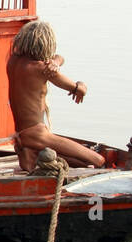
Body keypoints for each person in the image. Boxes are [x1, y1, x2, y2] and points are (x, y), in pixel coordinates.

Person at [6, 20, 105, 171]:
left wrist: (56, 61)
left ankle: (29, 152)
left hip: (22, 134)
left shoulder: (13, 61)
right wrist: (82, 84)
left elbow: (59, 57)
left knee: (82, 163)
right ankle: (32, 151)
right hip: (38, 135)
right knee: (98, 160)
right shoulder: (41, 69)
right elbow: (79, 90)